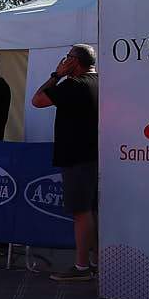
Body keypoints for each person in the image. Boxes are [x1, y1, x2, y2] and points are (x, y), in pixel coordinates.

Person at [33, 45, 99, 281]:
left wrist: (56, 75)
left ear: (75, 62)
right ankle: (96, 261)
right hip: (94, 155)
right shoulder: (100, 81)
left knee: (81, 211)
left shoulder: (74, 84)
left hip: (76, 155)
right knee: (92, 210)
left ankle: (81, 267)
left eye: (67, 58)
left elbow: (38, 100)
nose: (63, 61)